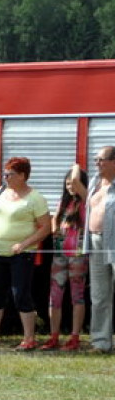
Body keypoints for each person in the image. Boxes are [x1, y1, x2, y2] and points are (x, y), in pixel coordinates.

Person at [0, 157, 52, 351]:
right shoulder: (0, 192)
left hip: (22, 254)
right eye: (5, 174)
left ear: (23, 176)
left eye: (10, 174)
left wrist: (24, 244)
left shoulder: (35, 198)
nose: (6, 177)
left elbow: (45, 228)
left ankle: (29, 338)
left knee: (20, 294)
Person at [41, 165, 89, 351]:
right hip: (59, 255)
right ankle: (54, 336)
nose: (71, 187)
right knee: (55, 297)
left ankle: (75, 337)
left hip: (78, 255)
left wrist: (75, 166)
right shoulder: (64, 201)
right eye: (67, 184)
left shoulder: (86, 200)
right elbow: (55, 219)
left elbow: (76, 179)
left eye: (73, 184)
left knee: (77, 296)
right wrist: (54, 226)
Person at [76, 146, 115, 353]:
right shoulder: (94, 182)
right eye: (96, 160)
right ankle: (101, 343)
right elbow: (75, 182)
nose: (97, 163)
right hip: (95, 240)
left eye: (101, 160)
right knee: (99, 295)